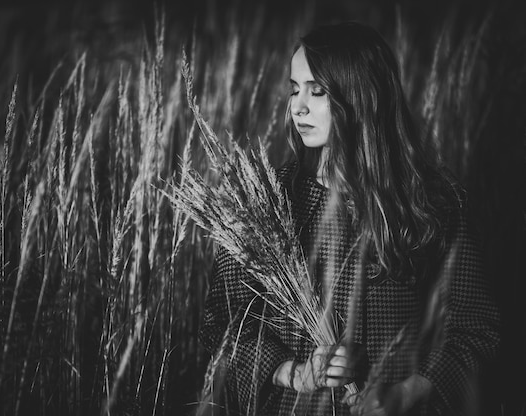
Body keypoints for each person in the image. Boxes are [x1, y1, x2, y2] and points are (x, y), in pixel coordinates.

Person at [198, 21, 501, 416]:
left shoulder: (428, 201)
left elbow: (476, 330)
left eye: (316, 91)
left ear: (360, 97)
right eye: (294, 88)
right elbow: (221, 318)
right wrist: (291, 371)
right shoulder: (270, 201)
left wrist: (402, 393)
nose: (298, 106)